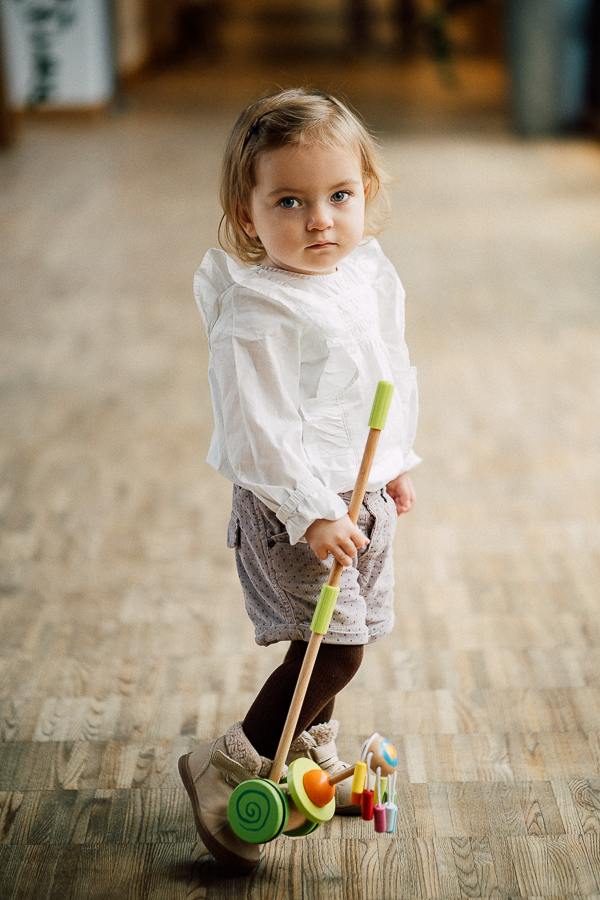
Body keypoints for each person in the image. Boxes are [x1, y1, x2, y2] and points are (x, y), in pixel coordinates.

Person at [179, 88, 419, 872]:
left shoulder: (361, 276)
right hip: (294, 509)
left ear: (365, 193)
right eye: (290, 201)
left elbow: (384, 379)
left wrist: (393, 464)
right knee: (336, 647)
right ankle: (231, 764)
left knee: (342, 633)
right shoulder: (258, 312)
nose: (321, 220)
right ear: (247, 216)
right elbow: (259, 432)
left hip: (360, 497)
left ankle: (305, 754)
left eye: (339, 196)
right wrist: (313, 510)